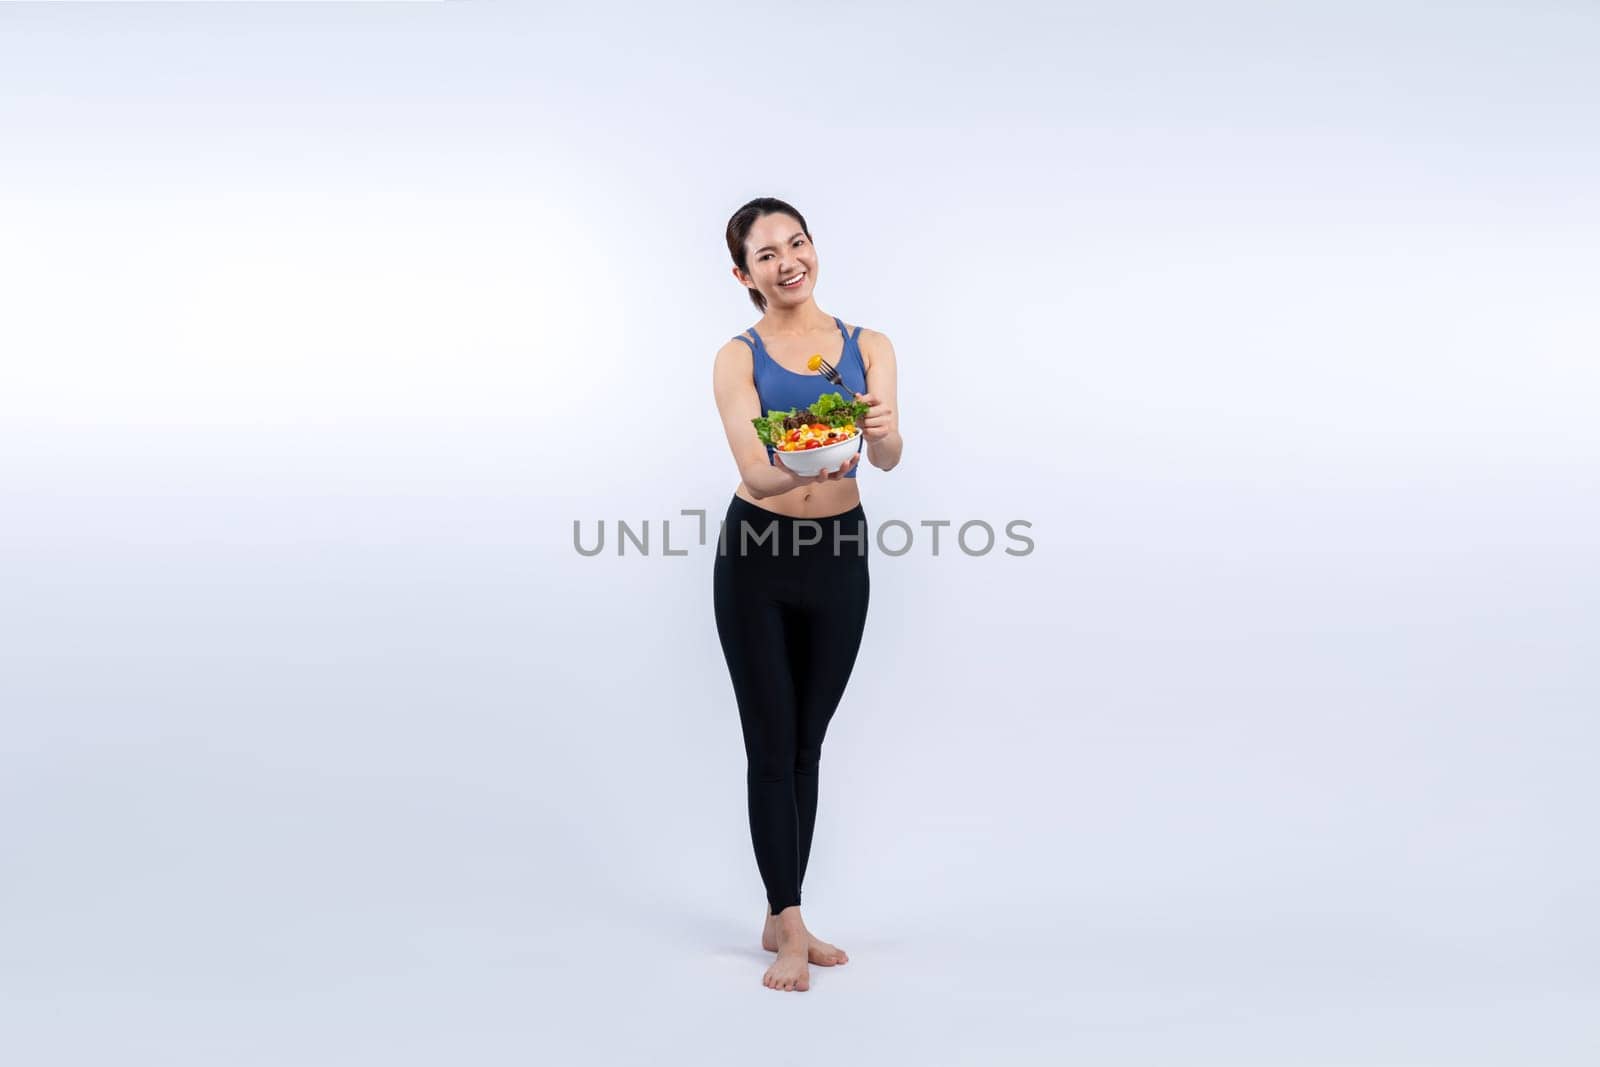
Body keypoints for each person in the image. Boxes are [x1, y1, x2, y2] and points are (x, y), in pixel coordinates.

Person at [711, 197, 904, 992]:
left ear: (812, 248)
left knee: (806, 745)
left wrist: (880, 426)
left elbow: (887, 456)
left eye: (797, 242)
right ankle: (790, 924)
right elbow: (754, 471)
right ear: (743, 273)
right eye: (767, 254)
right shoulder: (737, 356)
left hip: (840, 555)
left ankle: (779, 912)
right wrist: (804, 458)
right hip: (756, 556)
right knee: (769, 743)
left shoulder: (869, 345)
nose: (788, 260)